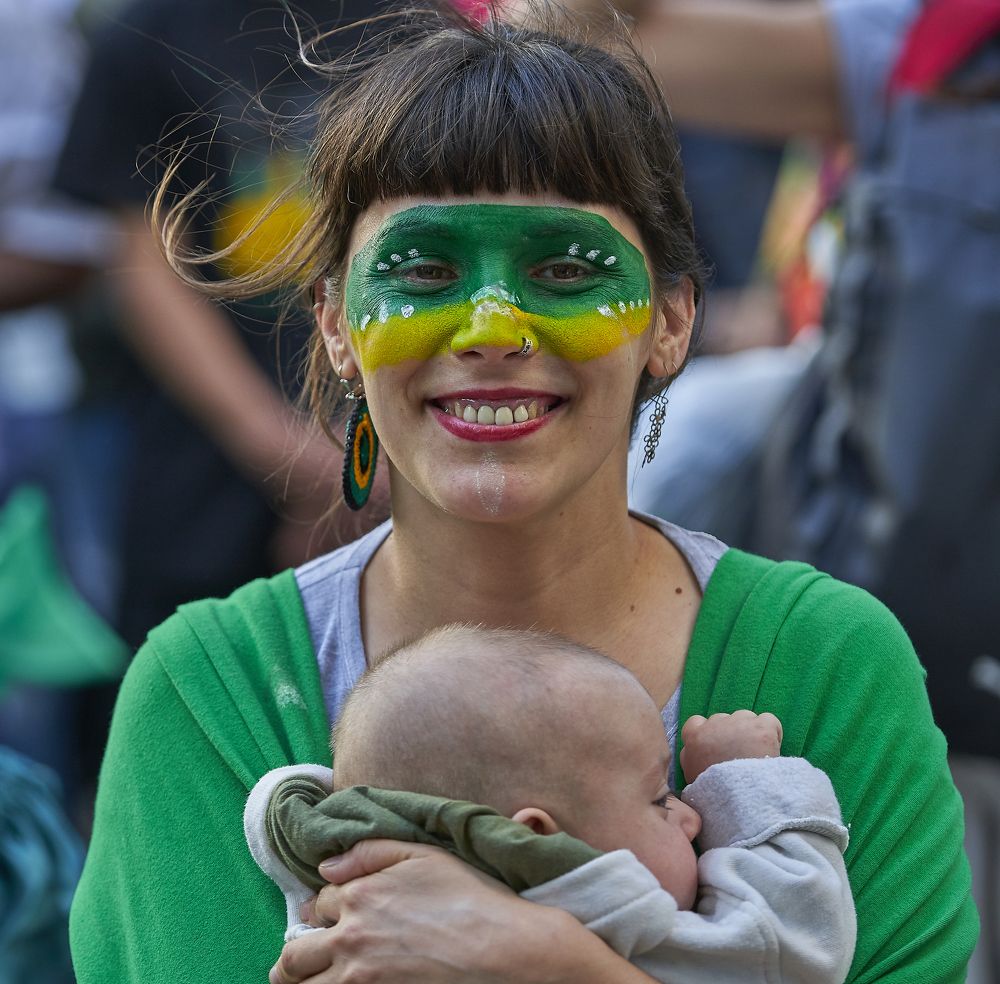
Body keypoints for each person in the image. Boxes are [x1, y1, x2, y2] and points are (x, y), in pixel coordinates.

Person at [69, 6, 976, 983]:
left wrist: (557, 965)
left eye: (559, 269)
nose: (491, 328)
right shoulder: (208, 692)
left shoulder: (824, 665)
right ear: (334, 322)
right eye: (423, 268)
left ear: (671, 320)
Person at [246, 624, 856, 983]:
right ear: (537, 839)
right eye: (660, 798)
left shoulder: (337, 925)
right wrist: (743, 778)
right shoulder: (604, 911)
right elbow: (796, 945)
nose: (693, 817)